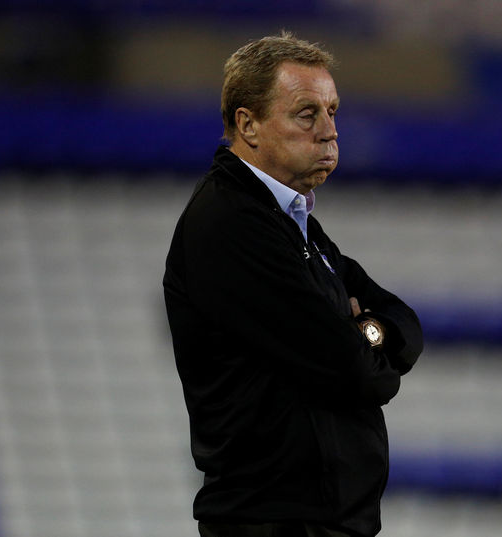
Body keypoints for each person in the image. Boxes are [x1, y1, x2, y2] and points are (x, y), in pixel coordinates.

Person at [163, 31, 423, 537]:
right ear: (249, 125)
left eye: (333, 112)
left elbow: (403, 322)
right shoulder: (230, 224)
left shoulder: (291, 221)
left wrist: (366, 329)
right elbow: (359, 373)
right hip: (275, 523)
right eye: (308, 114)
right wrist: (370, 346)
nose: (329, 131)